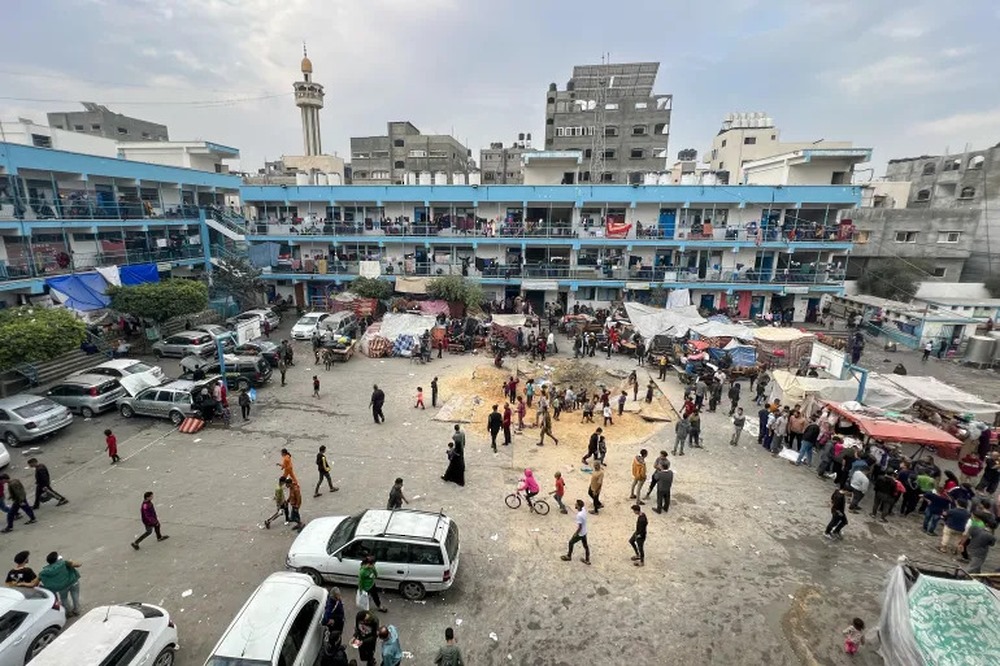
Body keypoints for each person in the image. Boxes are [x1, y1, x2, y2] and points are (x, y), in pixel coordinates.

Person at [39, 552, 81, 616]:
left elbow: (40, 578)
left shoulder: (46, 571)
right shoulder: (64, 563)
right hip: (73, 582)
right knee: (75, 596)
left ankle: (68, 612)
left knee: (64, 598)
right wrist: (71, 562)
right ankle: (77, 610)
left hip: (62, 587)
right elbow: (78, 565)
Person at [560, 499, 591, 565]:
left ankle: (569, 556)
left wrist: (575, 533)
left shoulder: (579, 515)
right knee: (586, 546)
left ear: (579, 506)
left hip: (580, 533)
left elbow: (580, 527)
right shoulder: (583, 510)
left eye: (576, 504)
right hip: (584, 531)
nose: (575, 505)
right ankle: (587, 560)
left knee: (571, 542)